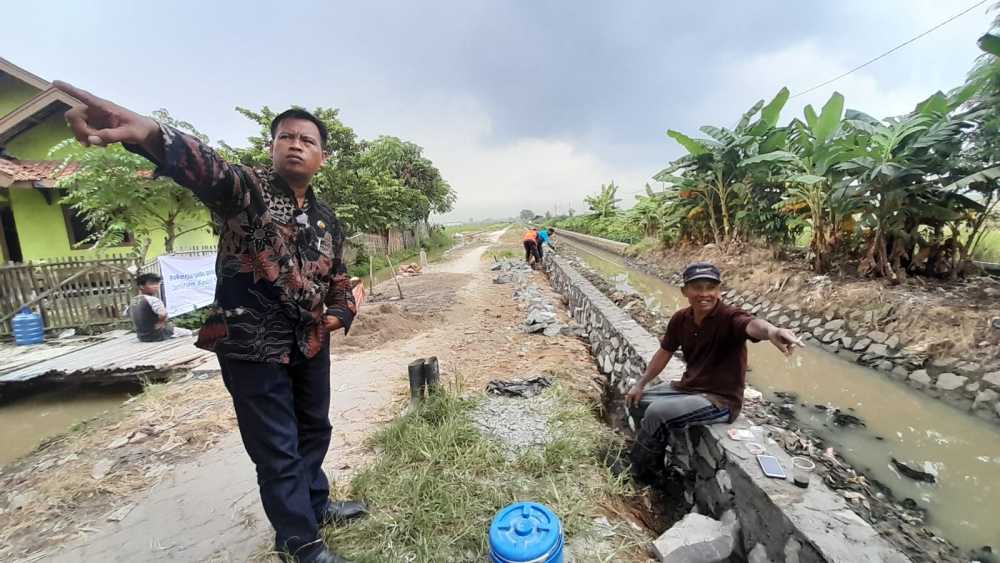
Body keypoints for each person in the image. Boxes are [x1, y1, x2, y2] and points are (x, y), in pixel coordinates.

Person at [56, 81, 364, 563]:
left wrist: (339, 313)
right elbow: (209, 169)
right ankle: (299, 543)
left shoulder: (327, 219)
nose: (296, 144)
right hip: (251, 345)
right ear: (272, 147)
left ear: (322, 156)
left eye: (308, 140)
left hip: (308, 342)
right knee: (277, 449)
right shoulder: (247, 191)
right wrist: (150, 133)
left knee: (313, 431)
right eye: (286, 136)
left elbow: (340, 275)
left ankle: (316, 507)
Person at [625, 261, 803, 482]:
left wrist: (773, 331)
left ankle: (645, 475)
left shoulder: (730, 317)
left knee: (657, 412)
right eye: (697, 287)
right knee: (637, 399)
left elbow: (753, 325)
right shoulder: (681, 319)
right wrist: (640, 383)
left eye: (710, 287)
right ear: (685, 291)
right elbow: (664, 352)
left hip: (720, 400)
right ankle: (652, 453)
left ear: (719, 290)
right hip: (688, 388)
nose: (704, 294)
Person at [128, 273, 192, 341]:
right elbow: (163, 314)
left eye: (157, 284)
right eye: (151, 284)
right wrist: (161, 323)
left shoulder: (133, 300)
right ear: (141, 286)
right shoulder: (154, 300)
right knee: (188, 332)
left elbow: (128, 313)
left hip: (142, 337)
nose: (156, 286)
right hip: (158, 334)